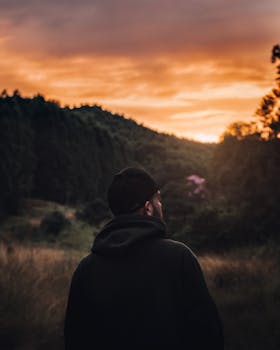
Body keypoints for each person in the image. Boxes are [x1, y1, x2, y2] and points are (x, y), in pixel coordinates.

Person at [64, 167, 224, 350]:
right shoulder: (180, 258)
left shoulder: (86, 268)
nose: (161, 205)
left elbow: (74, 339)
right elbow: (209, 335)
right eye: (159, 199)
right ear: (148, 208)